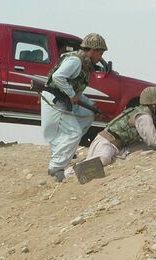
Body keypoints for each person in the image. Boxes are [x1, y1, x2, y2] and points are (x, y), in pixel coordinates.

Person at [41, 33, 108, 182]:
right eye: (100, 53)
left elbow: (76, 91)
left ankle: (64, 153)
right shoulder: (75, 61)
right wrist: (71, 95)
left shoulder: (82, 63)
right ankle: (55, 168)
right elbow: (58, 77)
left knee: (87, 115)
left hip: (62, 100)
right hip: (55, 100)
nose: (100, 57)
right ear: (92, 50)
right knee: (74, 133)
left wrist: (92, 107)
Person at [76, 86, 156, 171]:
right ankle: (68, 174)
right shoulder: (144, 116)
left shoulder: (141, 113)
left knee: (147, 147)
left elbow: (149, 132)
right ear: (154, 105)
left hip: (117, 147)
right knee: (103, 159)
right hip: (105, 143)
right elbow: (154, 141)